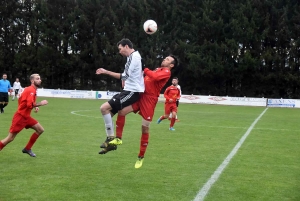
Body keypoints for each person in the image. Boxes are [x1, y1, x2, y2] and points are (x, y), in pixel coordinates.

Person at [108, 55, 178, 168]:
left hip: (149, 100)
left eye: (167, 59)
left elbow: (154, 77)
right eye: (165, 58)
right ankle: (118, 138)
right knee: (122, 111)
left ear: (171, 65)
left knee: (145, 128)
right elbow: (141, 77)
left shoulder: (166, 72)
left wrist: (144, 68)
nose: (164, 59)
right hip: (140, 95)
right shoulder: (157, 69)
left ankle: (141, 156)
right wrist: (127, 80)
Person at [96, 38, 145, 154]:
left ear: (126, 46)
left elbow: (124, 76)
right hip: (128, 90)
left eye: (120, 48)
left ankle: (111, 139)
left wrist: (105, 71)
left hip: (132, 92)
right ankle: (111, 142)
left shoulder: (134, 57)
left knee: (104, 108)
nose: (119, 51)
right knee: (108, 112)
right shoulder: (133, 57)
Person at [0, 74, 48, 157]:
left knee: (40, 130)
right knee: (10, 138)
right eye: (37, 78)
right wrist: (40, 104)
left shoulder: (31, 90)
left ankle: (27, 148)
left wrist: (35, 107)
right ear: (32, 81)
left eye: (40, 78)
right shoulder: (30, 90)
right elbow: (29, 105)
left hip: (26, 117)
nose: (40, 80)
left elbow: (23, 101)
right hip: (20, 118)